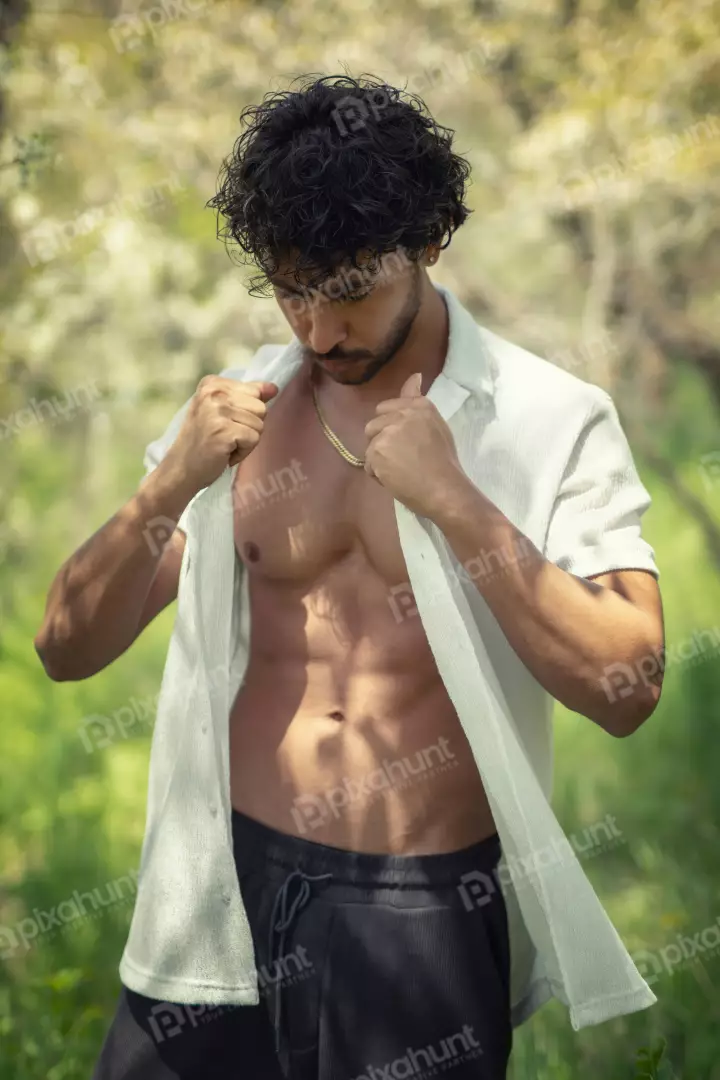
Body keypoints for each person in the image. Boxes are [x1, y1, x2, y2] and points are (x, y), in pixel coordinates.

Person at [35, 74, 665, 1080]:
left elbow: (629, 688)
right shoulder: (246, 407)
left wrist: (456, 501)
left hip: (416, 909)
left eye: (351, 289)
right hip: (218, 885)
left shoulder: (549, 417)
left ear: (429, 242)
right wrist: (166, 485)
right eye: (293, 291)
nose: (321, 331)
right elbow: (66, 648)